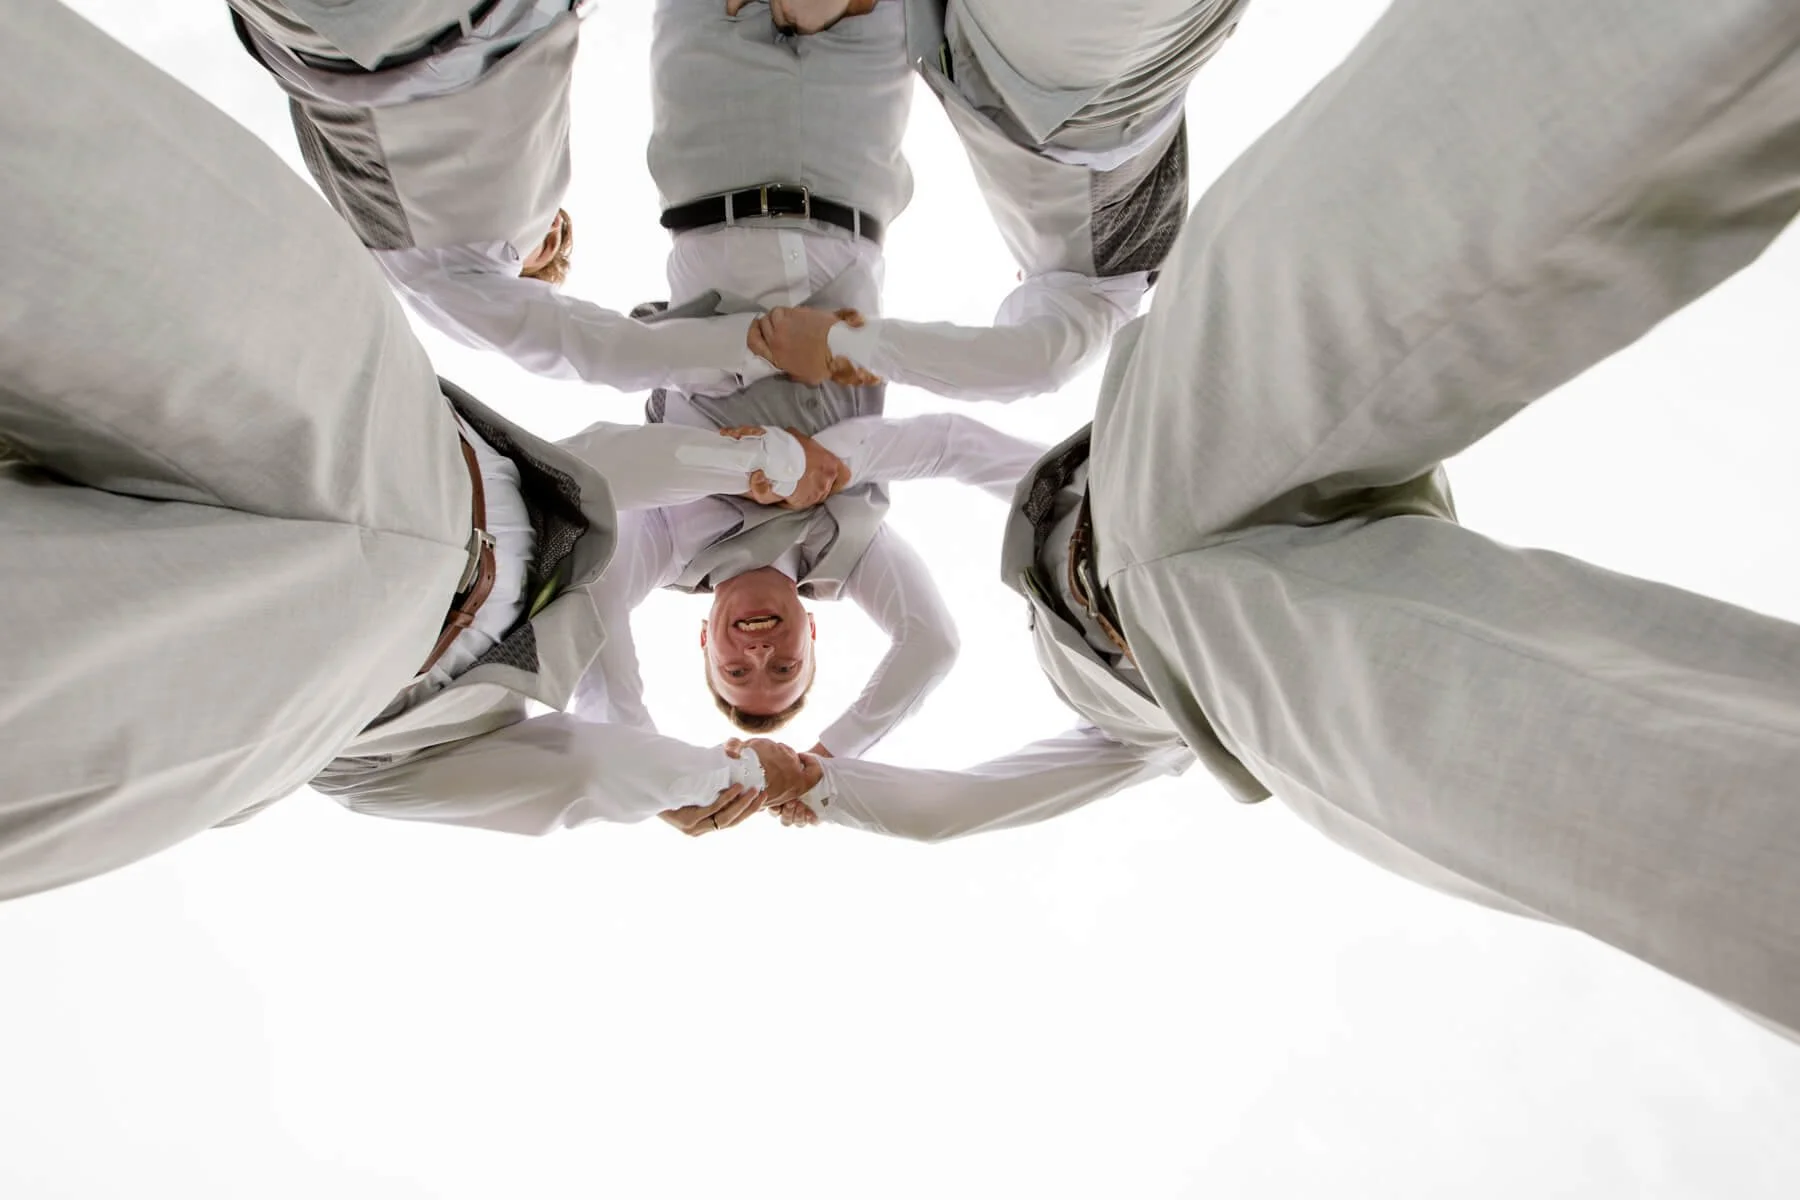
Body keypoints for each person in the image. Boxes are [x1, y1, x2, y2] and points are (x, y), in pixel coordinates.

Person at [753, 0, 1800, 1043]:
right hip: (1212, 660)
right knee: (1531, 754)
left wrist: (827, 456)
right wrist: (834, 792)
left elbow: (943, 453)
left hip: (1160, 439)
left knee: (1443, 176)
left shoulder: (1064, 478)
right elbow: (966, 809)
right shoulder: (1145, 745)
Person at [0, 0, 834, 901]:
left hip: (334, 677)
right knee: (52, 178)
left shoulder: (425, 738)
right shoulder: (634, 554)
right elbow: (596, 466)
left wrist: (709, 781)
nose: (756, 655)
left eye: (745, 676)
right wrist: (775, 464)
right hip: (397, 431)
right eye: (782, 668)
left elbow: (589, 772)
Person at [739, 0, 1249, 395]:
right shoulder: (1108, 294)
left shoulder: (1142, 209)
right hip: (1075, 85)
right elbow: (1029, 364)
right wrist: (836, 345)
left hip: (1145, 49)